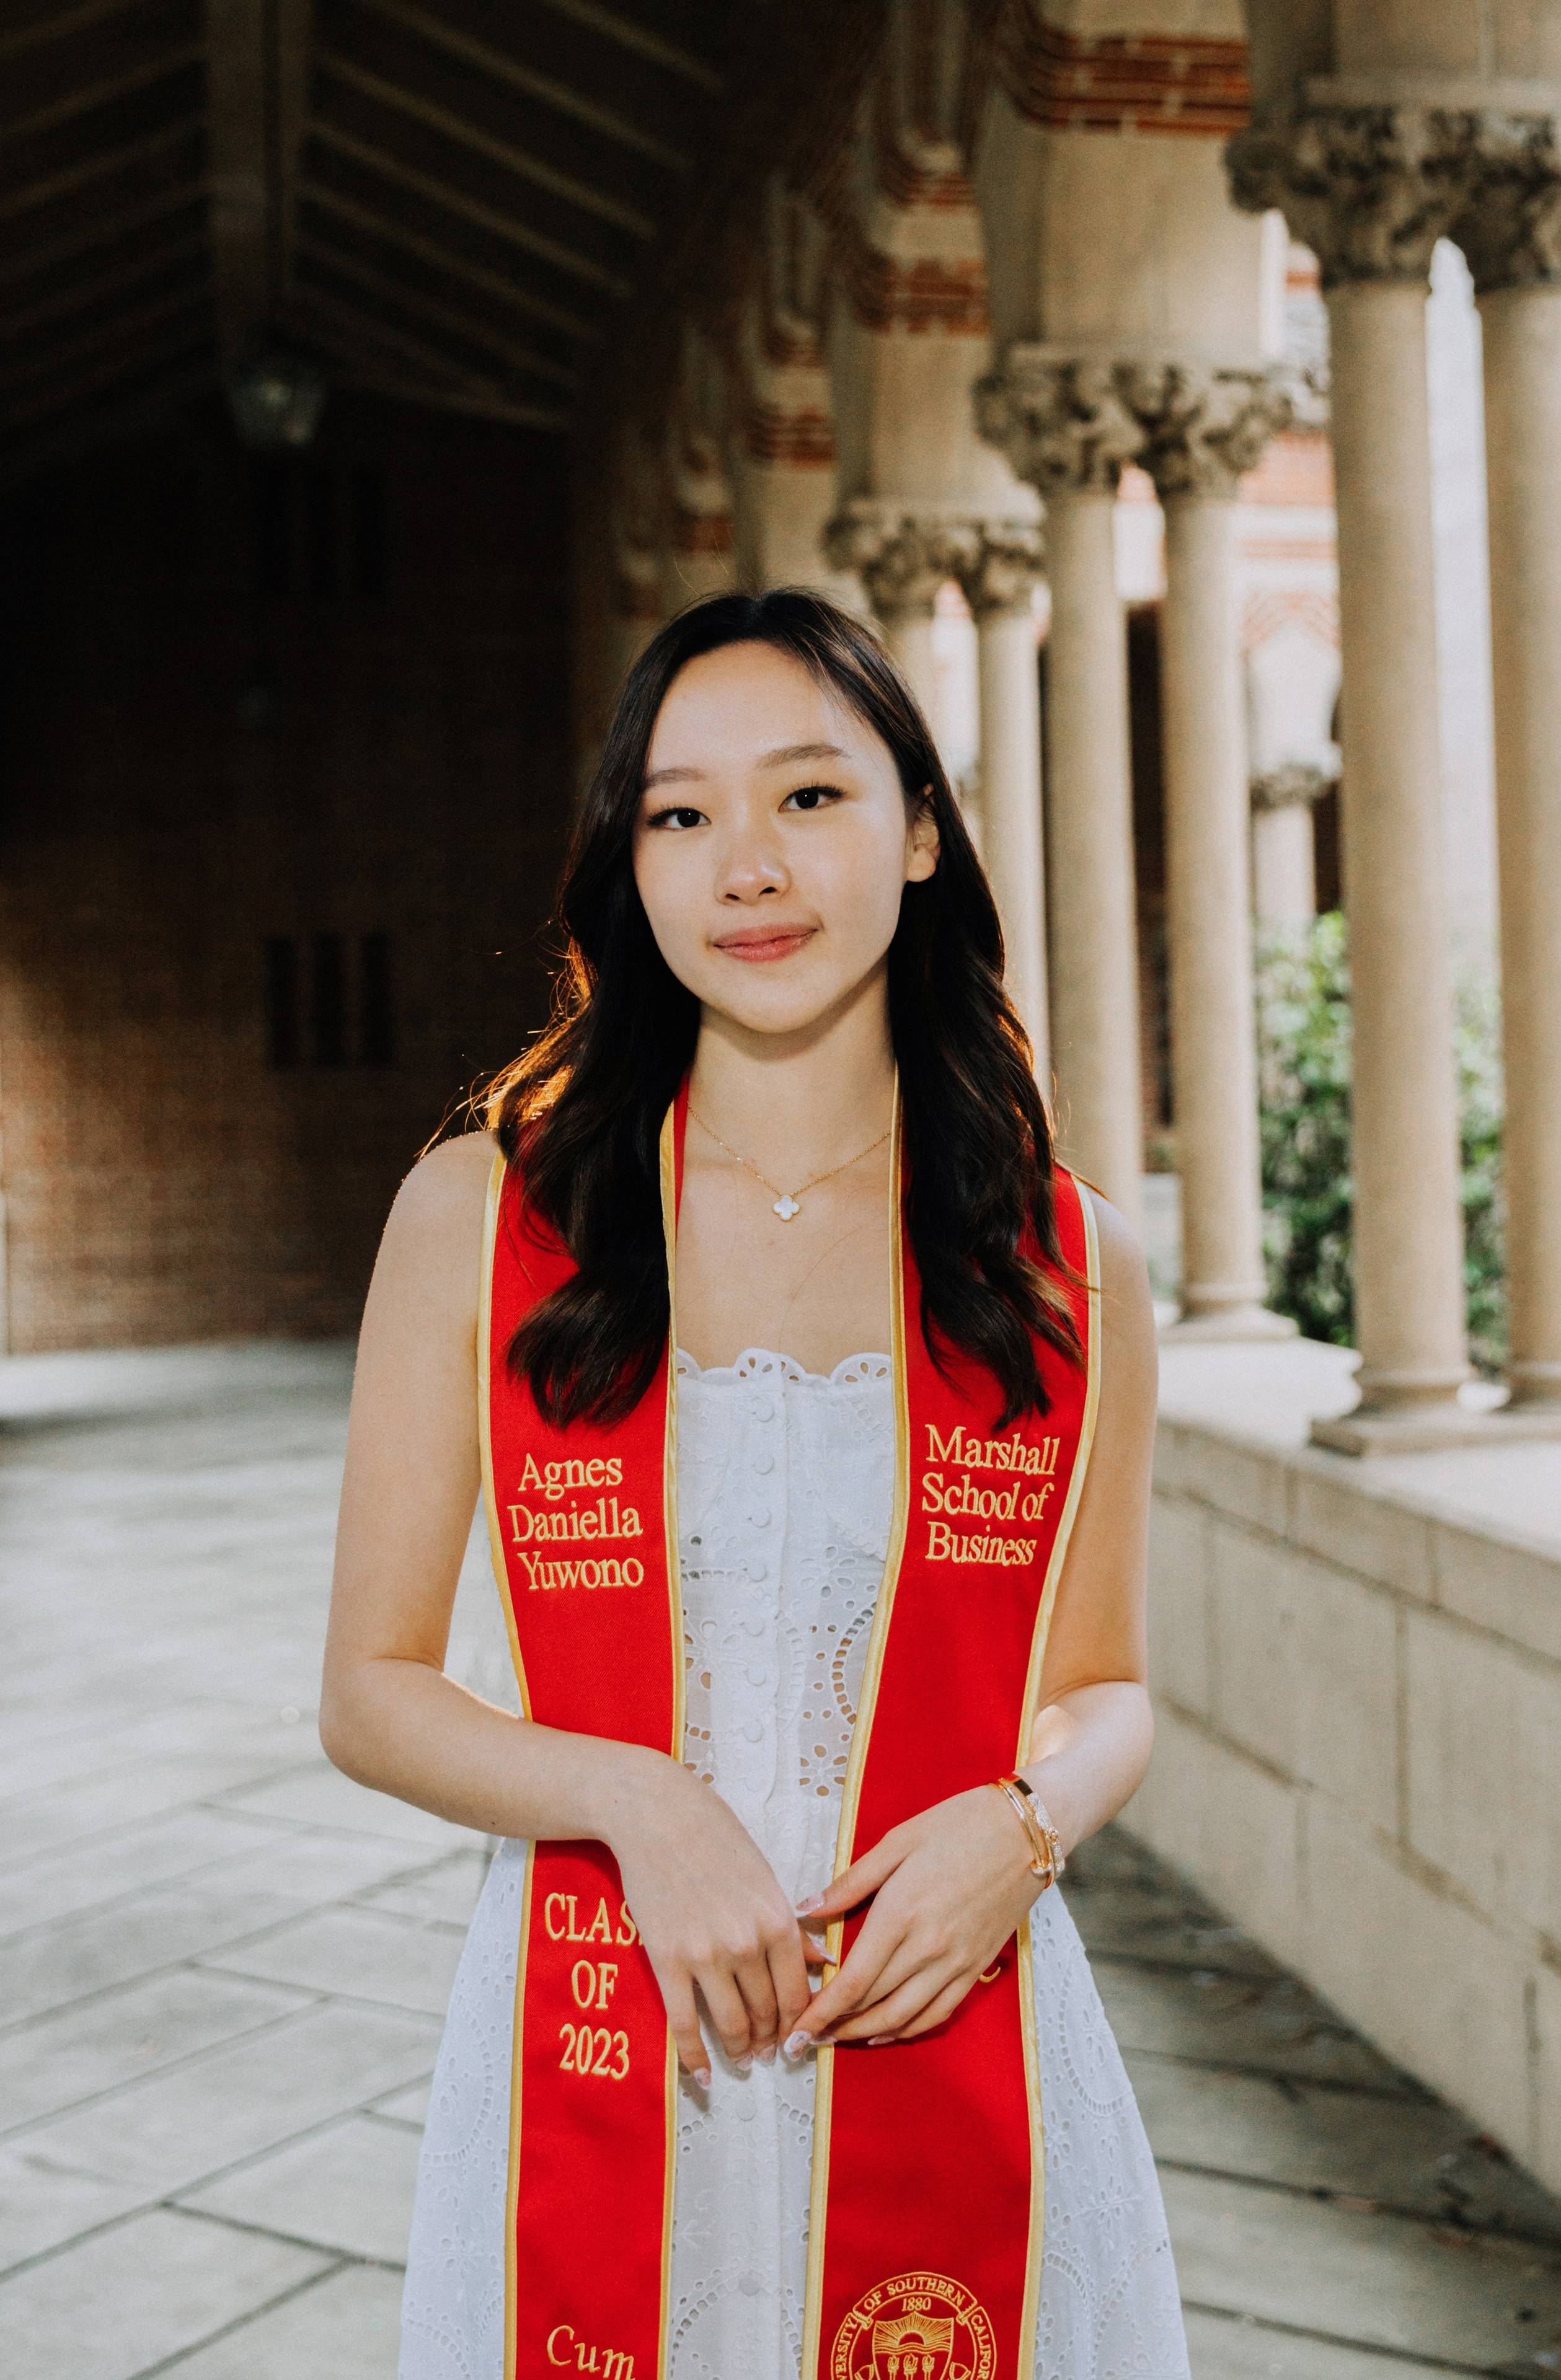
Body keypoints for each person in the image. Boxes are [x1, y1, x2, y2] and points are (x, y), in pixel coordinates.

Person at [321, 589, 1190, 2380]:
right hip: (598, 2021)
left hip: (952, 2000)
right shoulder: (487, 1223)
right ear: (627, 867)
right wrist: (637, 1802)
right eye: (680, 812)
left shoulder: (1064, 1259)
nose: (748, 867)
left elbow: (1103, 1686)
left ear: (923, 831)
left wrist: (1022, 1831)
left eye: (809, 797)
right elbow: (371, 1695)